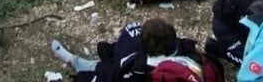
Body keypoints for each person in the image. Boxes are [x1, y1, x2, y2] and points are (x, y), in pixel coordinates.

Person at [50, 17, 209, 82]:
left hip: (127, 74)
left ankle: (76, 62)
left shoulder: (140, 65)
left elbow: (120, 74)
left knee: (103, 70)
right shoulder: (182, 49)